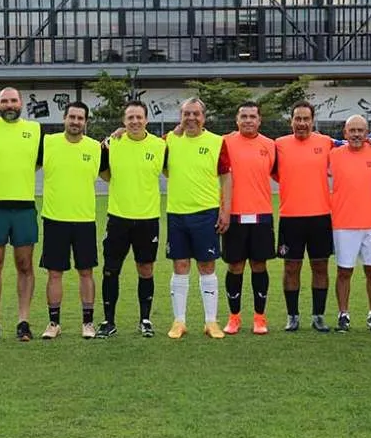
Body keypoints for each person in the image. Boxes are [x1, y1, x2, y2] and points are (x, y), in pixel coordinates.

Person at [0, 87, 44, 343]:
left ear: (21, 103)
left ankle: (23, 321)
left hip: (24, 207)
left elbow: (44, 159)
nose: (9, 105)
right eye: (4, 101)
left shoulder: (35, 130)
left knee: (25, 264)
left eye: (13, 100)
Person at [97, 100, 166, 338]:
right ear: (123, 122)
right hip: (118, 218)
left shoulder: (160, 145)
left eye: (139, 117)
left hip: (148, 219)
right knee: (110, 270)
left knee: (145, 269)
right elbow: (104, 173)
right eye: (130, 118)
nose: (135, 122)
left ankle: (145, 320)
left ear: (146, 120)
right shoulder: (111, 143)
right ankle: (108, 321)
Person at [164, 97, 231, 339]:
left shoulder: (216, 142)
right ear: (180, 117)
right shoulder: (169, 141)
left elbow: (225, 177)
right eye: (186, 114)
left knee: (207, 266)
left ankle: (211, 322)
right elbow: (144, 144)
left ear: (204, 117)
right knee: (180, 266)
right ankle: (179, 321)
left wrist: (225, 210)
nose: (191, 118)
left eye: (196, 114)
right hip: (177, 214)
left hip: (206, 213)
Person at [38, 101, 106, 340]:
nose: (76, 122)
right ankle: (53, 323)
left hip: (84, 220)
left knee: (86, 272)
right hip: (54, 219)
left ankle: (88, 323)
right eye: (72, 117)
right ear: (64, 118)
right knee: (54, 273)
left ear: (86, 122)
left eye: (80, 118)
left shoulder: (97, 148)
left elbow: (109, 176)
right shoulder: (47, 143)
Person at [274, 100, 335, 332]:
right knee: (291, 268)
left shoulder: (327, 143)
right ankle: (293, 316)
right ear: (291, 121)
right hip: (290, 217)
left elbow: (353, 145)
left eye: (305, 119)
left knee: (320, 267)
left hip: (320, 216)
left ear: (313, 121)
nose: (301, 123)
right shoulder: (278, 145)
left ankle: (318, 315)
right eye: (297, 119)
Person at [328, 115, 371, 332]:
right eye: (351, 130)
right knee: (344, 272)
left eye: (360, 130)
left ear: (367, 133)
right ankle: (343, 315)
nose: (355, 134)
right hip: (344, 224)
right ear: (344, 133)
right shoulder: (333, 154)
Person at [221, 101, 277, 335]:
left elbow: (281, 173)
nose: (248, 120)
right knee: (235, 266)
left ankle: (259, 317)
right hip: (233, 215)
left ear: (259, 120)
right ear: (237, 119)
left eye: (252, 116)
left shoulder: (271, 145)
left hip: (262, 215)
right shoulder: (223, 143)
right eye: (243, 116)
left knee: (259, 265)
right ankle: (234, 317)